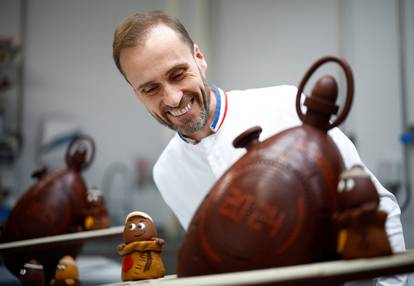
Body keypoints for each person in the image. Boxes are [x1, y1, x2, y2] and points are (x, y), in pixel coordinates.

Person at [112, 10, 407, 285]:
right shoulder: (168, 172)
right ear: (136, 94)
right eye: (150, 88)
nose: (174, 98)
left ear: (199, 57)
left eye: (178, 74)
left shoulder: (287, 107)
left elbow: (376, 211)